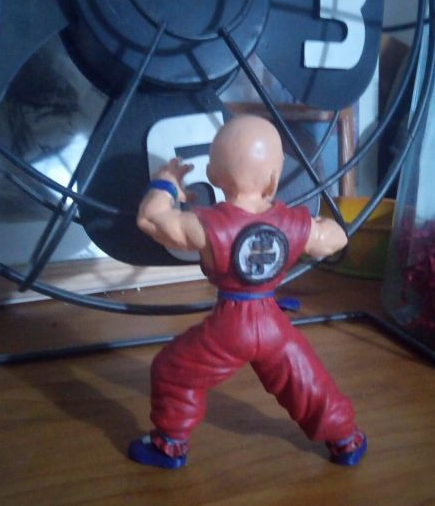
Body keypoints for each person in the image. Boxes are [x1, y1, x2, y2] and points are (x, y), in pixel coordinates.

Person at [129, 114, 367, 470]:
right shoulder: (292, 224)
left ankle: (170, 445)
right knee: (306, 381)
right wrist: (312, 225)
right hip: (272, 324)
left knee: (172, 370)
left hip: (230, 326)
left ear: (212, 175)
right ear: (274, 179)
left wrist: (166, 184)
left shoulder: (206, 224)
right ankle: (345, 438)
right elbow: (335, 239)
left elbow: (150, 219)